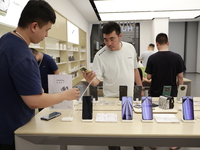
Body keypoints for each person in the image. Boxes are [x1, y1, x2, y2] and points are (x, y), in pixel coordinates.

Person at [0, 1, 80, 150]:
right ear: (34, 26)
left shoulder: (6, 40)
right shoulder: (23, 55)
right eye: (46, 30)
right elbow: (35, 102)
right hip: (11, 132)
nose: (47, 35)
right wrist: (66, 95)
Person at [82, 21, 144, 150]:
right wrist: (89, 80)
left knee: (135, 131)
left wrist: (140, 89)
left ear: (120, 36)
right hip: (110, 100)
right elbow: (96, 81)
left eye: (112, 39)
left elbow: (135, 70)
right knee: (112, 134)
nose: (109, 43)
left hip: (130, 97)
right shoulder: (100, 55)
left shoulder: (130, 48)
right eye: (105, 39)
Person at [145, 33, 186, 150]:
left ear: (157, 44)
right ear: (168, 43)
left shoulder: (152, 58)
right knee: (172, 116)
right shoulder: (177, 57)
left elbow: (148, 77)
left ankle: (155, 143)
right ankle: (173, 144)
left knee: (156, 115)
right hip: (171, 93)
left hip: (155, 93)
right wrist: (180, 94)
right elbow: (180, 78)